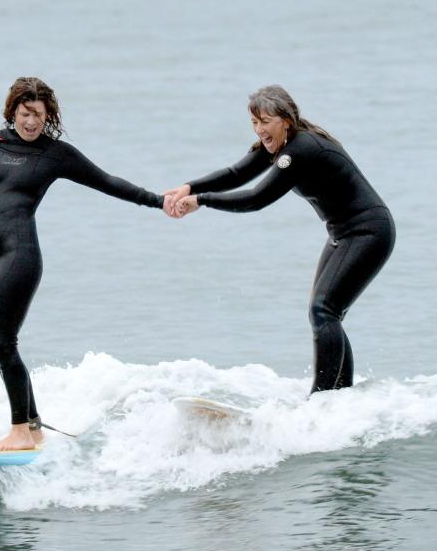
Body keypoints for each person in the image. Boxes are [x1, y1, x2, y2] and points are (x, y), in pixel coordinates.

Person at [0, 77, 170, 450]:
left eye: (39, 116)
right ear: (13, 112)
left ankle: (20, 431)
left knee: (3, 341)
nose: (31, 122)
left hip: (19, 254)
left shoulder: (54, 154)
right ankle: (33, 424)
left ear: (48, 117)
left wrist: (158, 201)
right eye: (26, 114)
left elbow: (107, 181)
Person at [166, 85, 395, 395]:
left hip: (368, 232)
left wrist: (202, 200)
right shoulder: (280, 146)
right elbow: (236, 174)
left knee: (323, 311)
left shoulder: (301, 150)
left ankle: (322, 399)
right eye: (254, 122)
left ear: (286, 120)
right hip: (344, 232)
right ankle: (341, 396)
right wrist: (188, 187)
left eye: (266, 121)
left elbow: (257, 198)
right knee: (327, 312)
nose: (260, 129)